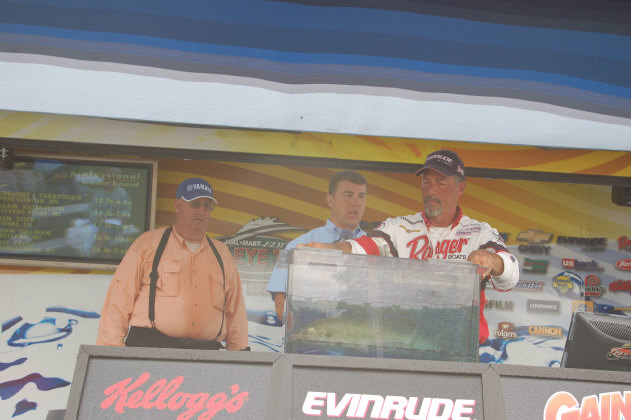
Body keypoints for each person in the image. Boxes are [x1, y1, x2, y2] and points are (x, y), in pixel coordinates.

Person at [301, 150, 519, 343]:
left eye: (441, 183)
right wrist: (333, 250)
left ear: (460, 187)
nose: (431, 190)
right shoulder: (400, 227)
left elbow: (510, 275)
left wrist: (491, 260)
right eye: (426, 182)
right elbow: (365, 247)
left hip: (459, 347)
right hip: (405, 344)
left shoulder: (479, 232)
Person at [97, 177, 249, 350]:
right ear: (177, 205)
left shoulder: (222, 254)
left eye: (208, 206)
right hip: (150, 349)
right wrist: (110, 351)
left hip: (205, 354)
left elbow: (235, 311)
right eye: (195, 204)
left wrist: (240, 354)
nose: (201, 211)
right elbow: (119, 300)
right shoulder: (147, 244)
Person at [266, 170, 368, 320]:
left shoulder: (377, 246)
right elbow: (281, 305)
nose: (356, 203)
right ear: (330, 200)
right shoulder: (295, 246)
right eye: (348, 195)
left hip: (361, 330)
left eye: (361, 196)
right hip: (313, 330)